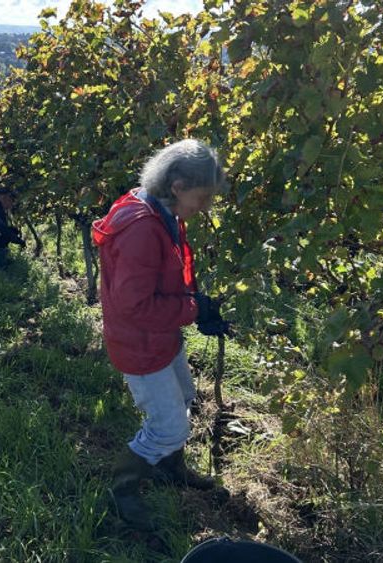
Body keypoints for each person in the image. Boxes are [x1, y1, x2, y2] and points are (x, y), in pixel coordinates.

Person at [91, 139, 232, 530]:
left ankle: (171, 467)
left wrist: (197, 304)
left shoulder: (158, 211)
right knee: (168, 425)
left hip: (159, 335)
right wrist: (192, 309)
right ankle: (123, 490)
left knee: (185, 397)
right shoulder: (142, 229)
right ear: (177, 185)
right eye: (202, 197)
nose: (205, 207)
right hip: (139, 343)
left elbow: (170, 272)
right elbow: (134, 305)